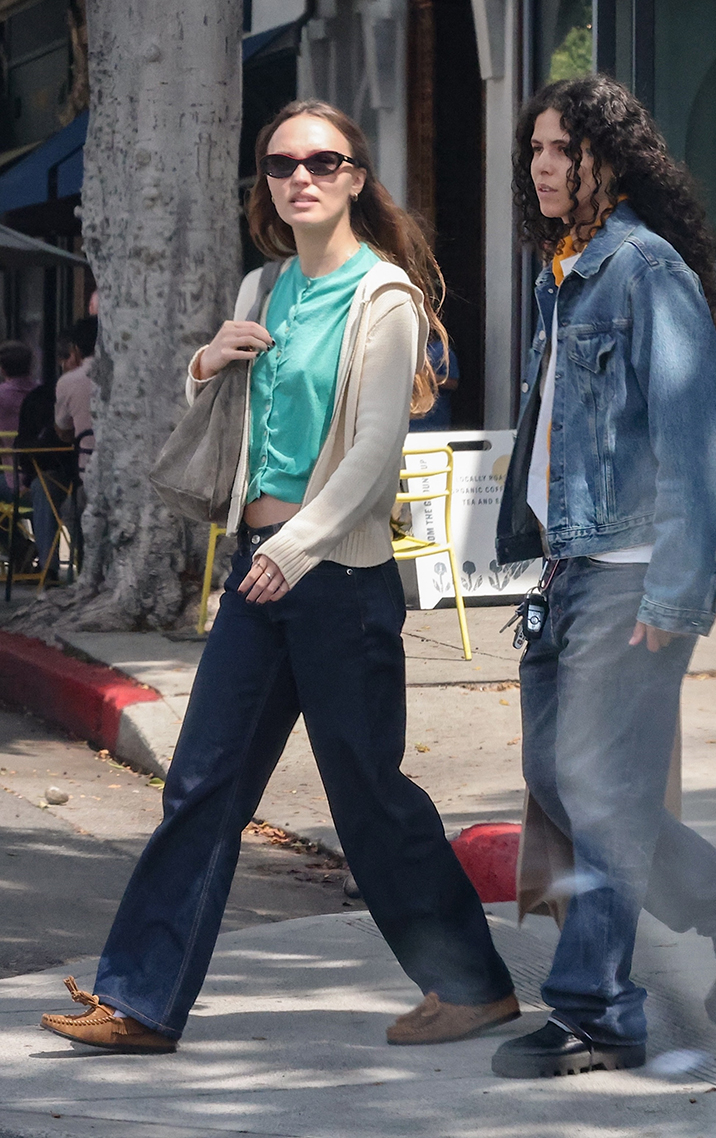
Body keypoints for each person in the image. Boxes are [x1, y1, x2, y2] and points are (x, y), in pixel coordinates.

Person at [41, 100, 517, 1053]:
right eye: (280, 163)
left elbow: (376, 452)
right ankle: (137, 1000)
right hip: (263, 573)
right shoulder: (262, 288)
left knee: (368, 793)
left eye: (322, 160)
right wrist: (204, 362)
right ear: (265, 183)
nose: (299, 176)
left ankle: (471, 984)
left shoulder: (384, 298)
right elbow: (251, 427)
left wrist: (294, 551)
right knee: (203, 783)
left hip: (336, 578)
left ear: (353, 177)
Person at [490, 75, 716, 1080]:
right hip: (571, 568)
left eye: (560, 150)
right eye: (535, 148)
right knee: (565, 779)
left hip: (630, 573)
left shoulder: (643, 270)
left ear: (607, 162)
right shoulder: (563, 270)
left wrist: (675, 596)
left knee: (596, 784)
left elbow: (693, 443)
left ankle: (595, 1010)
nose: (541, 165)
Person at [28, 317, 96, 579]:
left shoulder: (69, 382)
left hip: (83, 470)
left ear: (76, 350)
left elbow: (63, 430)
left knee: (64, 496)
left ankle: (56, 569)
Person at [0, 340, 37, 502]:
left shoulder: (2, 396)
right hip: (43, 483)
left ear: (2, 369)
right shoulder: (42, 393)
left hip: (12, 483)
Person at [409, 335, 459, 432]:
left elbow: (453, 383)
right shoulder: (408, 348)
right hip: (410, 422)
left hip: (435, 423)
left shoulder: (443, 350)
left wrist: (428, 378)